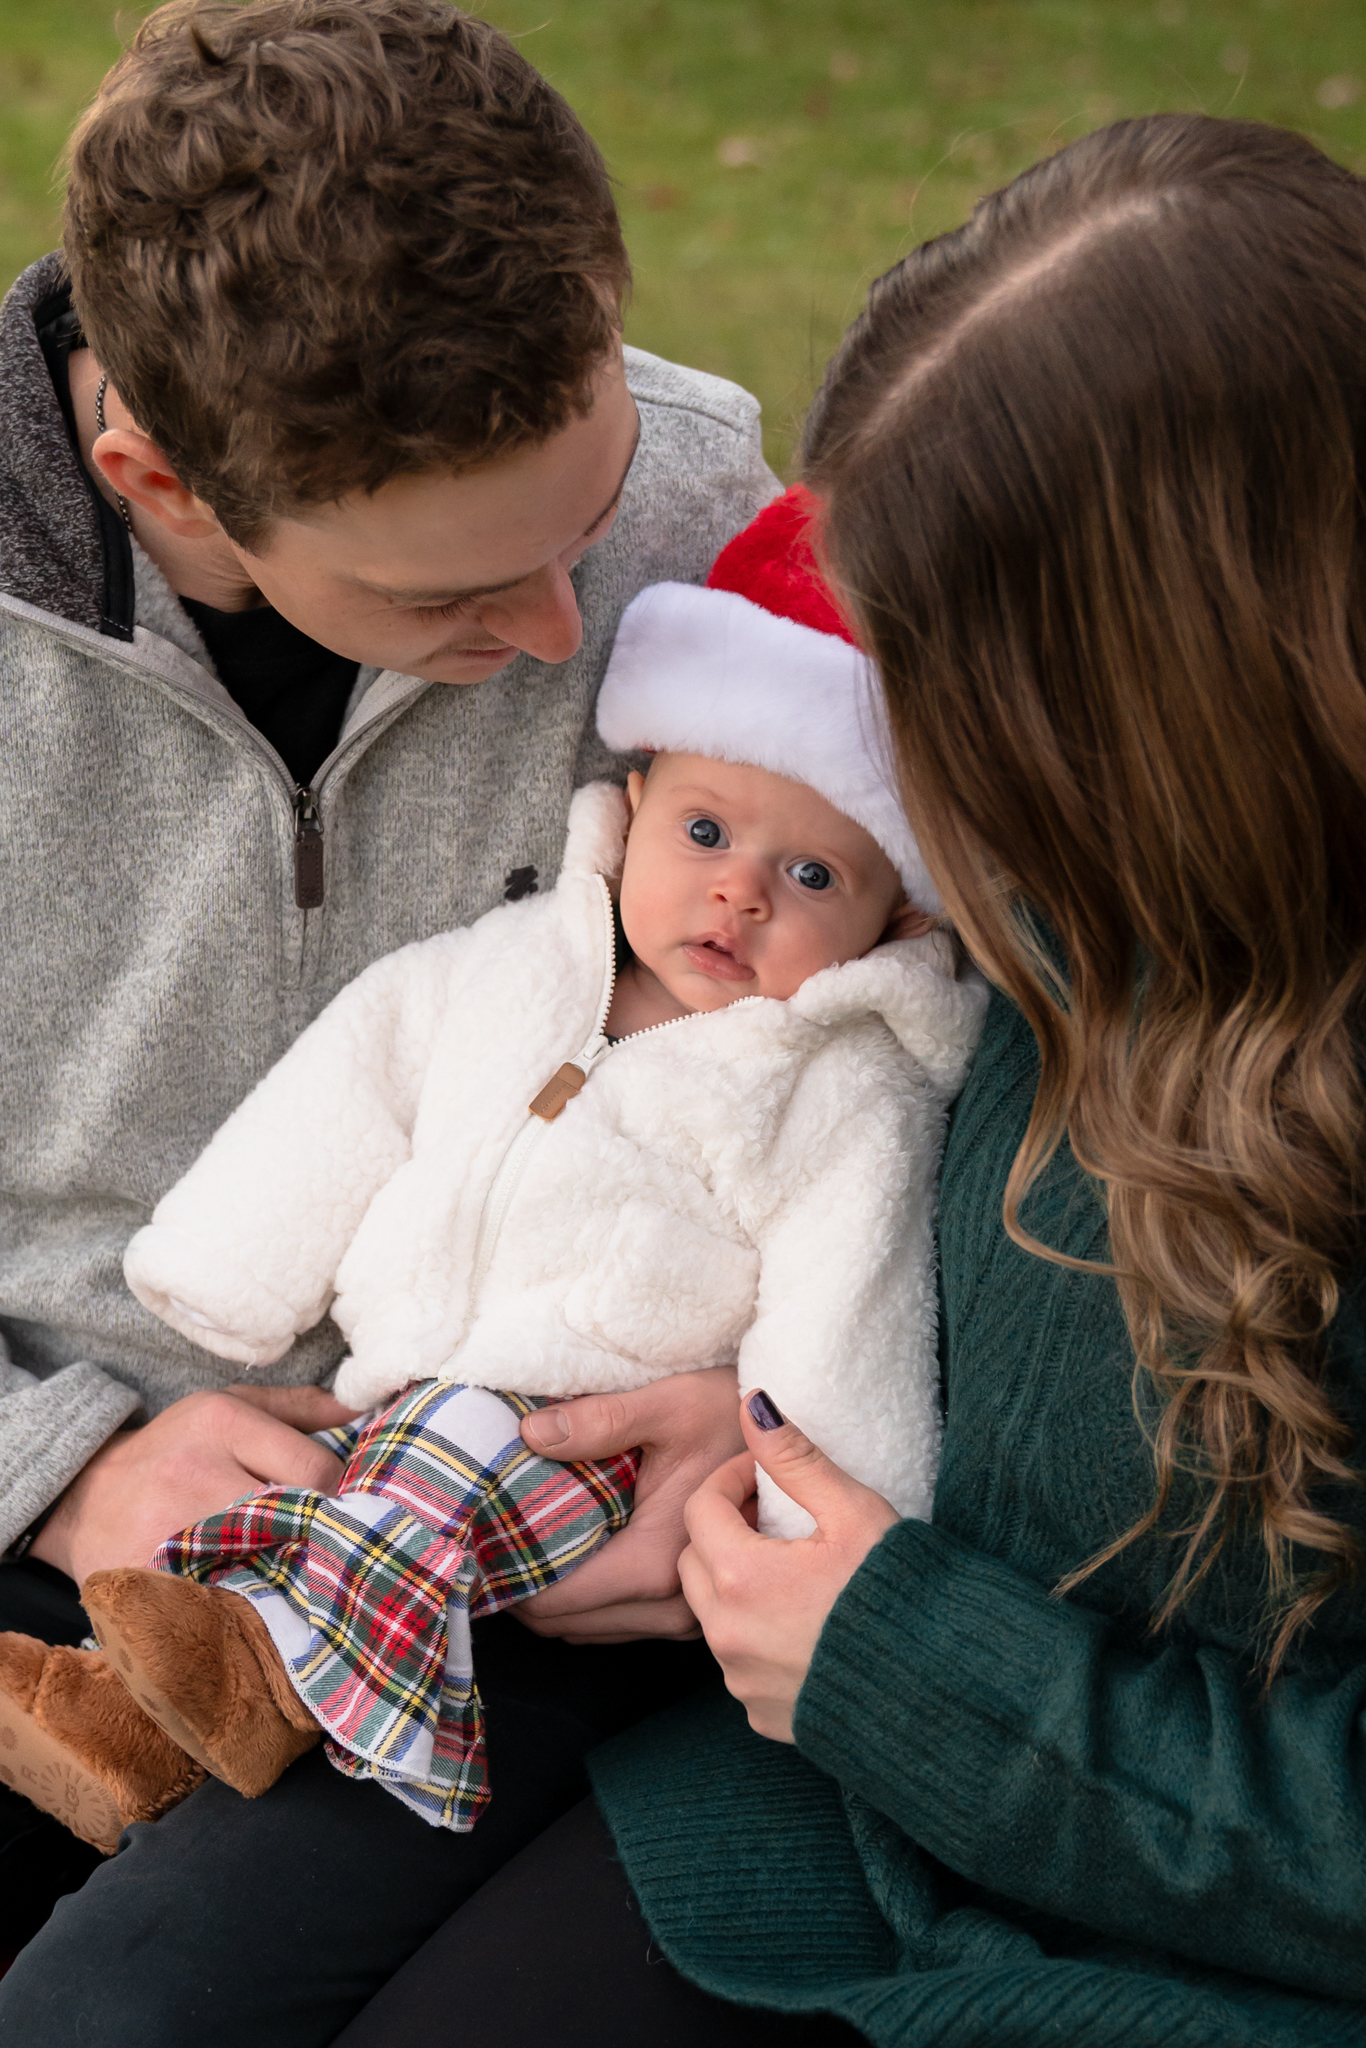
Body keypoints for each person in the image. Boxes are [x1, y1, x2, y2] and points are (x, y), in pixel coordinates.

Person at [325, 112, 1366, 2048]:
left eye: (953, 680)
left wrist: (912, 1665)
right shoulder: (1082, 881)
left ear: (1181, 680)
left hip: (1167, 1943)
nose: (903, 764)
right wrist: (766, 1417)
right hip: (857, 1812)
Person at [0, 0, 777, 2021]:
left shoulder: (698, 513)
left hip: (528, 1534)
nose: (557, 639)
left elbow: (860, 1032)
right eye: (450, 605)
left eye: (582, 528)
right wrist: (63, 1461)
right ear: (153, 477)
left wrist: (748, 1419)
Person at [0, 485, 985, 1853]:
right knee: (356, 1512)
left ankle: (162, 1694)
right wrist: (220, 1268)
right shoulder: (515, 963)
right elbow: (361, 1074)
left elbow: (848, 1293)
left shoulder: (833, 1088)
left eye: (812, 874)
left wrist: (806, 1510)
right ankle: (139, 1711)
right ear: (633, 805)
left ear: (901, 914)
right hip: (360, 1412)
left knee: (413, 1501)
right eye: (704, 834)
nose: (739, 894)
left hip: (580, 1448)